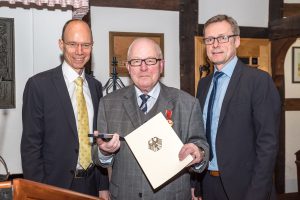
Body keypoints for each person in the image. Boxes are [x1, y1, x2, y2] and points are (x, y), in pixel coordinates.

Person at [91, 37, 209, 200]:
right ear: (128, 67)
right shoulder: (108, 104)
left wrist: (199, 153)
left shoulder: (187, 103)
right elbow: (98, 158)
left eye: (150, 61)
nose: (143, 67)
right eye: (136, 61)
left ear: (161, 65)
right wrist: (104, 151)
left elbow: (201, 145)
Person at [21, 19, 109, 199]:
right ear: (61, 44)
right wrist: (39, 192)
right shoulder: (38, 85)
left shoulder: (96, 86)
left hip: (91, 184)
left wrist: (103, 185)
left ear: (92, 46)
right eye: (72, 44)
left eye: (85, 45)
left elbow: (99, 138)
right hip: (54, 187)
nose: (79, 51)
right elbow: (31, 146)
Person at [195, 14, 281, 200]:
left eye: (222, 37)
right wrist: (197, 185)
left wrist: (256, 193)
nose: (215, 44)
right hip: (209, 184)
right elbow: (200, 135)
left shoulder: (259, 81)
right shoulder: (203, 85)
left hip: (246, 188)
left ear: (237, 41)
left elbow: (268, 144)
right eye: (209, 39)